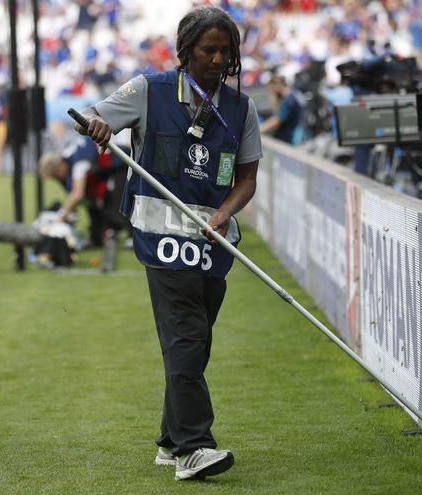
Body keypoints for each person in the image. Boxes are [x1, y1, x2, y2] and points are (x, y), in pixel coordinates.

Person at [74, 6, 262, 481]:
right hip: (161, 241)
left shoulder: (242, 109)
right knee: (186, 337)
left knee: (194, 347)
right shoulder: (148, 91)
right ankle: (194, 449)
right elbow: (93, 115)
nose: (219, 59)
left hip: (214, 245)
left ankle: (168, 439)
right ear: (185, 51)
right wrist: (96, 124)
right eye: (209, 49)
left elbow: (246, 179)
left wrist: (224, 214)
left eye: (227, 50)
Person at [38, 136, 131, 247]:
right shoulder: (68, 158)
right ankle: (96, 237)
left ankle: (133, 236)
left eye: (55, 176)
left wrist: (61, 215)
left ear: (58, 168)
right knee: (92, 202)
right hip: (105, 171)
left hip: (120, 164)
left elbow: (78, 194)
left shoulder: (78, 162)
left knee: (117, 203)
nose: (58, 180)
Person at [259, 74, 307, 144]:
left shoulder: (289, 101)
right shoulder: (295, 95)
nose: (271, 91)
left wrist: (258, 130)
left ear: (277, 86)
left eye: (272, 88)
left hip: (289, 137)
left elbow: (276, 121)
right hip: (295, 134)